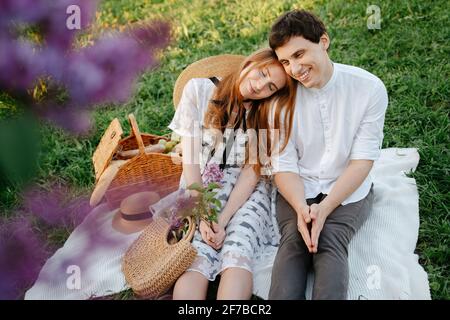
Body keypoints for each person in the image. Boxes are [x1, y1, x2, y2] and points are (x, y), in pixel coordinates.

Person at [267, 10, 388, 300]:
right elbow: (284, 164)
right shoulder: (280, 102)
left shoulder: (369, 88)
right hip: (297, 187)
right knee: (295, 241)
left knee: (330, 238)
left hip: (348, 187)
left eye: (299, 54)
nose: (294, 69)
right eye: (285, 61)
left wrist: (326, 208)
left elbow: (362, 161)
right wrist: (301, 208)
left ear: (323, 41)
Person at [170, 48, 296, 300]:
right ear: (251, 62)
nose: (260, 86)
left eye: (270, 86)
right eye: (262, 73)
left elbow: (252, 172)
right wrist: (204, 213)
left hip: (247, 189)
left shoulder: (265, 113)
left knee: (239, 243)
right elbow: (191, 160)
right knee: (197, 248)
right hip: (203, 183)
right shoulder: (199, 90)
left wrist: (224, 218)